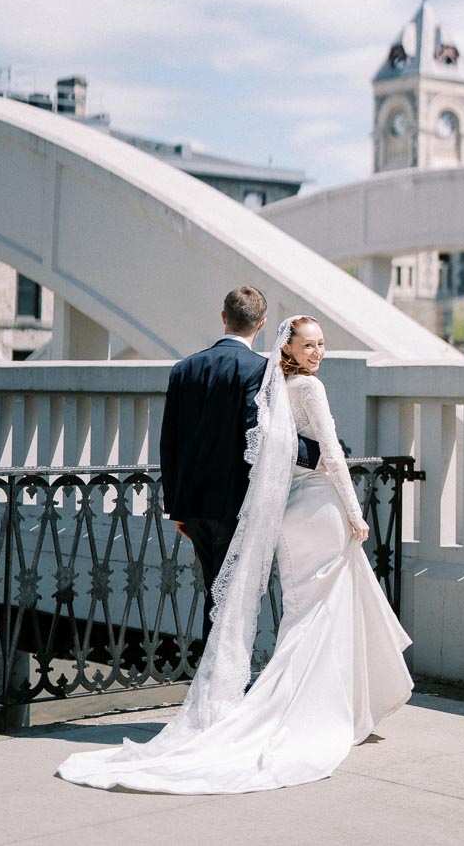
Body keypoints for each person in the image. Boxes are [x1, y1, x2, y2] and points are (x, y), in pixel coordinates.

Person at [56, 313, 413, 794]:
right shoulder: (308, 389)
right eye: (310, 345)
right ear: (282, 341)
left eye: (322, 345)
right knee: (320, 613)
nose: (318, 353)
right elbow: (330, 454)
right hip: (318, 509)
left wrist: (177, 503)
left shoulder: (266, 383)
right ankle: (314, 709)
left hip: (272, 510)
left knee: (295, 613)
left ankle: (243, 705)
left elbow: (189, 443)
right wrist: (355, 513)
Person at [158, 284, 270, 652]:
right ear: (262, 324)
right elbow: (258, 436)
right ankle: (222, 685)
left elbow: (169, 441)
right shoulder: (259, 369)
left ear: (224, 318)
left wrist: (176, 506)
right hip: (234, 505)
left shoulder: (183, 369)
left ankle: (213, 683)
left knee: (215, 593)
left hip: (193, 506)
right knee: (231, 599)